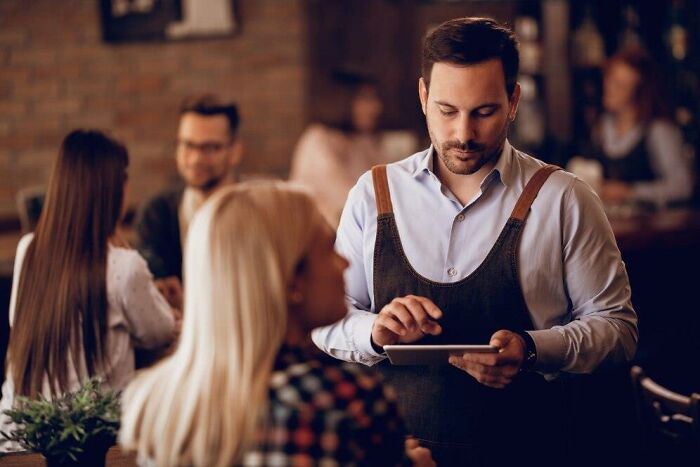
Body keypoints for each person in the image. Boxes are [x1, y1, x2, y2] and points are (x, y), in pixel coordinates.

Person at [312, 17, 638, 466]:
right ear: (423, 96)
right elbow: (325, 322)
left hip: (533, 450)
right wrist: (374, 330)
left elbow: (617, 331)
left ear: (514, 100)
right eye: (447, 111)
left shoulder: (565, 199)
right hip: (401, 455)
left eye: (484, 112)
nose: (463, 134)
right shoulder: (374, 194)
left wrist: (531, 348)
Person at [120, 182, 434, 467]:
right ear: (291, 282)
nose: (346, 262)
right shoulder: (342, 398)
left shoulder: (162, 401)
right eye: (328, 249)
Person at [0, 130, 177, 451]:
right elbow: (162, 333)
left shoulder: (28, 250)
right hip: (95, 449)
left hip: (17, 442)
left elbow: (17, 322)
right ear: (114, 191)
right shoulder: (123, 266)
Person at [135, 94, 242, 309]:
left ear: (235, 151)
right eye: (188, 146)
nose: (195, 159)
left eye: (210, 148)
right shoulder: (157, 213)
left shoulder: (258, 211)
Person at [290, 71, 394, 227]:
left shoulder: (362, 140)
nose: (376, 107)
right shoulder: (318, 141)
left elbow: (389, 185)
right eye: (366, 99)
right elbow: (352, 202)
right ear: (342, 100)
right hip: (318, 241)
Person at [592, 47, 693, 207]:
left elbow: (682, 187)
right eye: (609, 79)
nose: (608, 88)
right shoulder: (602, 126)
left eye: (619, 85)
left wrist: (630, 192)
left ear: (638, 92)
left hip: (650, 227)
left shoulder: (658, 130)